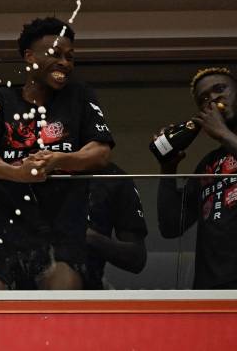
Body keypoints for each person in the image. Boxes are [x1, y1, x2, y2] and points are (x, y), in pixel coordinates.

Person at [0, 17, 113, 290]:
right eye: (55, 55)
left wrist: (59, 159)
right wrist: (16, 173)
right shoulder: (0, 99)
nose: (65, 63)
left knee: (59, 316)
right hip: (6, 233)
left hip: (62, 236)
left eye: (70, 57)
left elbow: (101, 150)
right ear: (29, 56)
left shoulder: (80, 96)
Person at [157, 66, 237, 289]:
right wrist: (168, 168)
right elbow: (171, 226)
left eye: (220, 89)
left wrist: (223, 133)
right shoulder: (208, 164)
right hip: (211, 291)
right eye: (204, 99)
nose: (213, 98)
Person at [84, 162, 147, 289]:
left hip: (88, 289)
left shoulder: (114, 179)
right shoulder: (38, 170)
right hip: (36, 285)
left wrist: (87, 236)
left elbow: (136, 259)